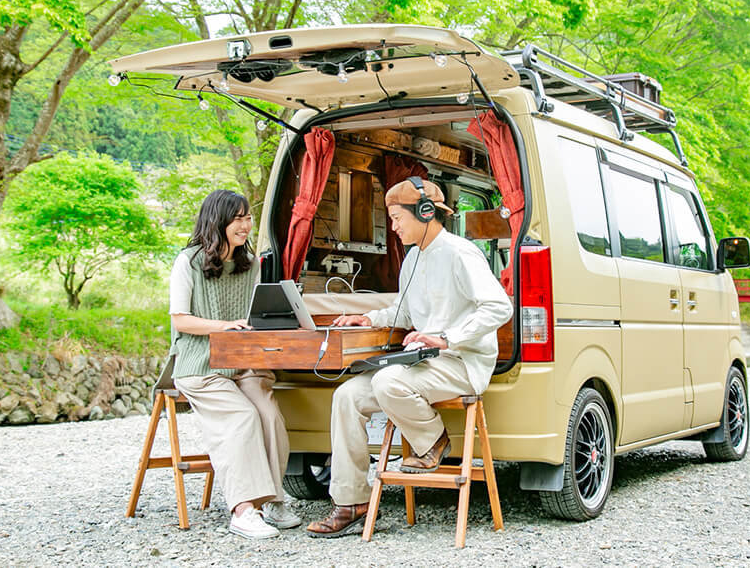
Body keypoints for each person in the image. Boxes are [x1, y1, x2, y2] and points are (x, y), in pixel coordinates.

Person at [306, 178, 513, 538]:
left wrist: (446, 338)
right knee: (347, 397)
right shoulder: (413, 258)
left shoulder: (460, 253)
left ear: (426, 213)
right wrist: (368, 318)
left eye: (398, 217)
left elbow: (499, 307)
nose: (394, 226)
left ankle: (433, 441)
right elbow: (403, 313)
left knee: (389, 381)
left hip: (461, 363)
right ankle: (351, 502)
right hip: (424, 364)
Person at [169, 189, 301, 539]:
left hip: (243, 364)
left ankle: (274, 501)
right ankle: (243, 510)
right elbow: (181, 320)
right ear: (218, 220)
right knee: (242, 418)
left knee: (270, 416)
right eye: (238, 218)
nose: (245, 225)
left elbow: (252, 317)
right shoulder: (188, 262)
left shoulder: (251, 264)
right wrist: (223, 327)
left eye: (247, 218)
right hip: (201, 365)